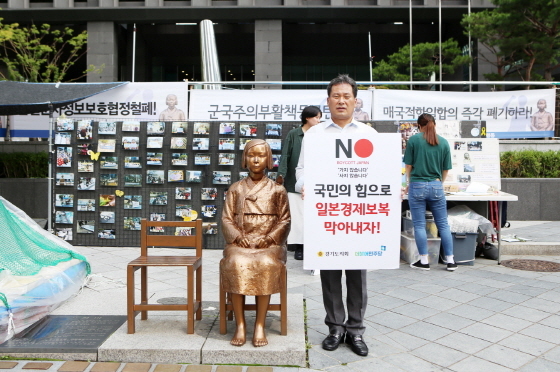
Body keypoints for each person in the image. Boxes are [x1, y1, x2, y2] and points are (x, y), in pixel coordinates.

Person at [294, 74, 374, 357]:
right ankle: (335, 328)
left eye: (346, 96)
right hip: (327, 217)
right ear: (327, 101)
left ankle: (355, 331)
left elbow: (381, 174)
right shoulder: (314, 134)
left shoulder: (368, 134)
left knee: (356, 274)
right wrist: (306, 186)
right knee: (329, 274)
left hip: (357, 217)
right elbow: (300, 172)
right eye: (336, 96)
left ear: (355, 101)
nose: (341, 101)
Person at [220, 139, 291, 347]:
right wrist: (237, 236)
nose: (256, 160)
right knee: (234, 263)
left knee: (266, 264)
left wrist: (269, 238)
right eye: (251, 155)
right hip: (240, 243)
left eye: (261, 155)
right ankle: (240, 325)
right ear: (245, 159)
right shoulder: (236, 188)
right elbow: (226, 218)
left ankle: (259, 324)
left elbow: (284, 219)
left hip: (268, 244)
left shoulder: (278, 190)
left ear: (268, 159)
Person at [404, 113, 457, 272]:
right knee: (443, 225)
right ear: (435, 124)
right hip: (436, 186)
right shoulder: (444, 142)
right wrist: (439, 183)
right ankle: (450, 261)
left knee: (419, 225)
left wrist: (409, 182)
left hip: (417, 185)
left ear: (419, 126)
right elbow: (446, 169)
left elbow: (408, 166)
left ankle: (424, 261)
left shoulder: (414, 140)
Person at [276, 105, 322, 260]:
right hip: (294, 182)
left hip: (317, 183)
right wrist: (281, 174)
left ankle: (313, 246)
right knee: (298, 217)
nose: (319, 120)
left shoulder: (321, 134)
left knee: (313, 216)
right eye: (316, 117)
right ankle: (299, 247)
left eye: (320, 117)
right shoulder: (294, 134)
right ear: (307, 118)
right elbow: (286, 155)